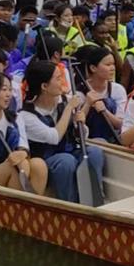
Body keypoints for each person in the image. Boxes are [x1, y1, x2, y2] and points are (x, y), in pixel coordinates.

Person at [19, 60, 105, 202]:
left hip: (70, 150)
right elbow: (54, 137)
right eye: (58, 79)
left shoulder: (66, 101)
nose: (63, 83)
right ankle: (69, 203)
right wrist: (68, 109)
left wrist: (81, 124)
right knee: (66, 161)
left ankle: (96, 198)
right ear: (44, 86)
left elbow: (82, 135)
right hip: (46, 161)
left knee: (94, 152)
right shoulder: (26, 115)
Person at [74, 45, 127, 143]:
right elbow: (76, 125)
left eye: (113, 64)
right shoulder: (79, 92)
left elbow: (121, 124)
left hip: (113, 140)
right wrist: (88, 104)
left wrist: (105, 111)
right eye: (107, 65)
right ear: (93, 68)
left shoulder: (118, 89)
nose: (112, 68)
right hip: (88, 141)